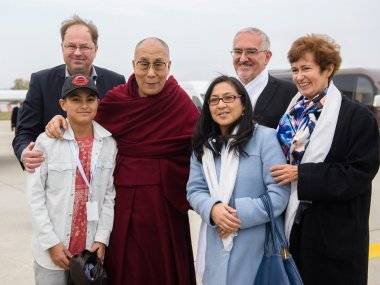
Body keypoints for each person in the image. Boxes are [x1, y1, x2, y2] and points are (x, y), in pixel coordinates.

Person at [45, 37, 198, 285]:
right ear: (133, 64)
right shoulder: (118, 100)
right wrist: (59, 121)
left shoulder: (180, 103)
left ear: (169, 66)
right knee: (124, 268)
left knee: (162, 268)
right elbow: (85, 125)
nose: (150, 73)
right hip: (120, 203)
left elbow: (200, 152)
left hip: (164, 205)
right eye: (143, 64)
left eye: (158, 65)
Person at [271, 34, 380, 285]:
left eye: (306, 68)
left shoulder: (357, 117)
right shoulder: (291, 114)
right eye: (295, 69)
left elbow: (359, 174)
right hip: (296, 228)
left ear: (328, 69)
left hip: (334, 235)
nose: (299, 76)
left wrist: (302, 174)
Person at [186, 75, 290, 285]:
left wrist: (233, 214)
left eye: (228, 98)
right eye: (214, 100)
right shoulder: (204, 146)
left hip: (257, 244)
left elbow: (278, 195)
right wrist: (213, 209)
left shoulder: (265, 138)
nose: (221, 105)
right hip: (216, 241)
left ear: (243, 104)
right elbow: (194, 190)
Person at [26, 74, 117, 285]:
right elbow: (35, 196)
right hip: (53, 251)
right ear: (62, 104)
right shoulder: (46, 142)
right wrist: (51, 243)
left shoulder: (109, 143)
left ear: (98, 103)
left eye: (90, 99)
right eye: (76, 99)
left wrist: (101, 238)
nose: (84, 105)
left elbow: (109, 196)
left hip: (89, 250)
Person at [12, 15, 125, 172]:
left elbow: (123, 130)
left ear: (96, 49)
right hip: (56, 178)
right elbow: (24, 132)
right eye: (71, 46)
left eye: (84, 46)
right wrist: (25, 152)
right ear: (62, 47)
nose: (77, 52)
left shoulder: (115, 82)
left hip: (102, 174)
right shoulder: (41, 81)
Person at [231, 27, 297, 128]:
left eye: (251, 51)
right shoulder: (220, 94)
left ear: (267, 57)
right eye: (238, 51)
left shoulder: (291, 94)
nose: (243, 58)